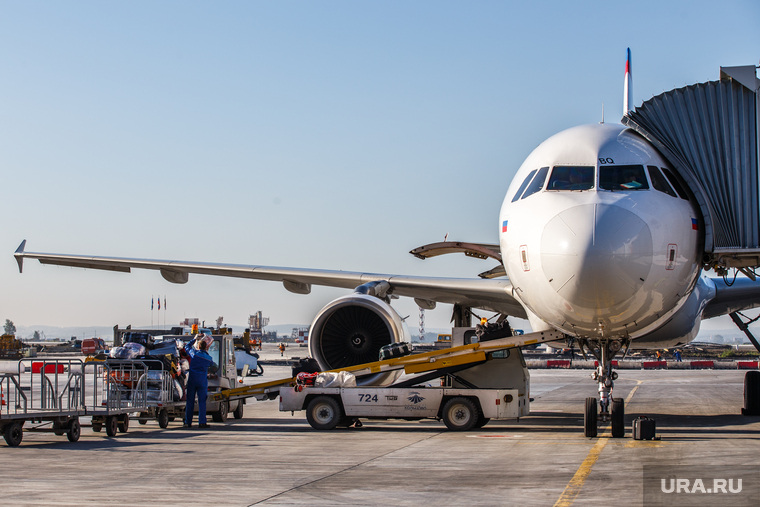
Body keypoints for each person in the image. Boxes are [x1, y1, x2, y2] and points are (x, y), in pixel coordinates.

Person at [183, 335, 216, 429]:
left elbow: (187, 347)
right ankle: (202, 422)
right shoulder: (208, 358)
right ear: (206, 347)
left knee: (190, 401)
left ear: (198, 346)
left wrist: (194, 338)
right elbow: (212, 365)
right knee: (202, 402)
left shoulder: (194, 354)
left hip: (192, 379)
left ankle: (187, 422)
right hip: (202, 381)